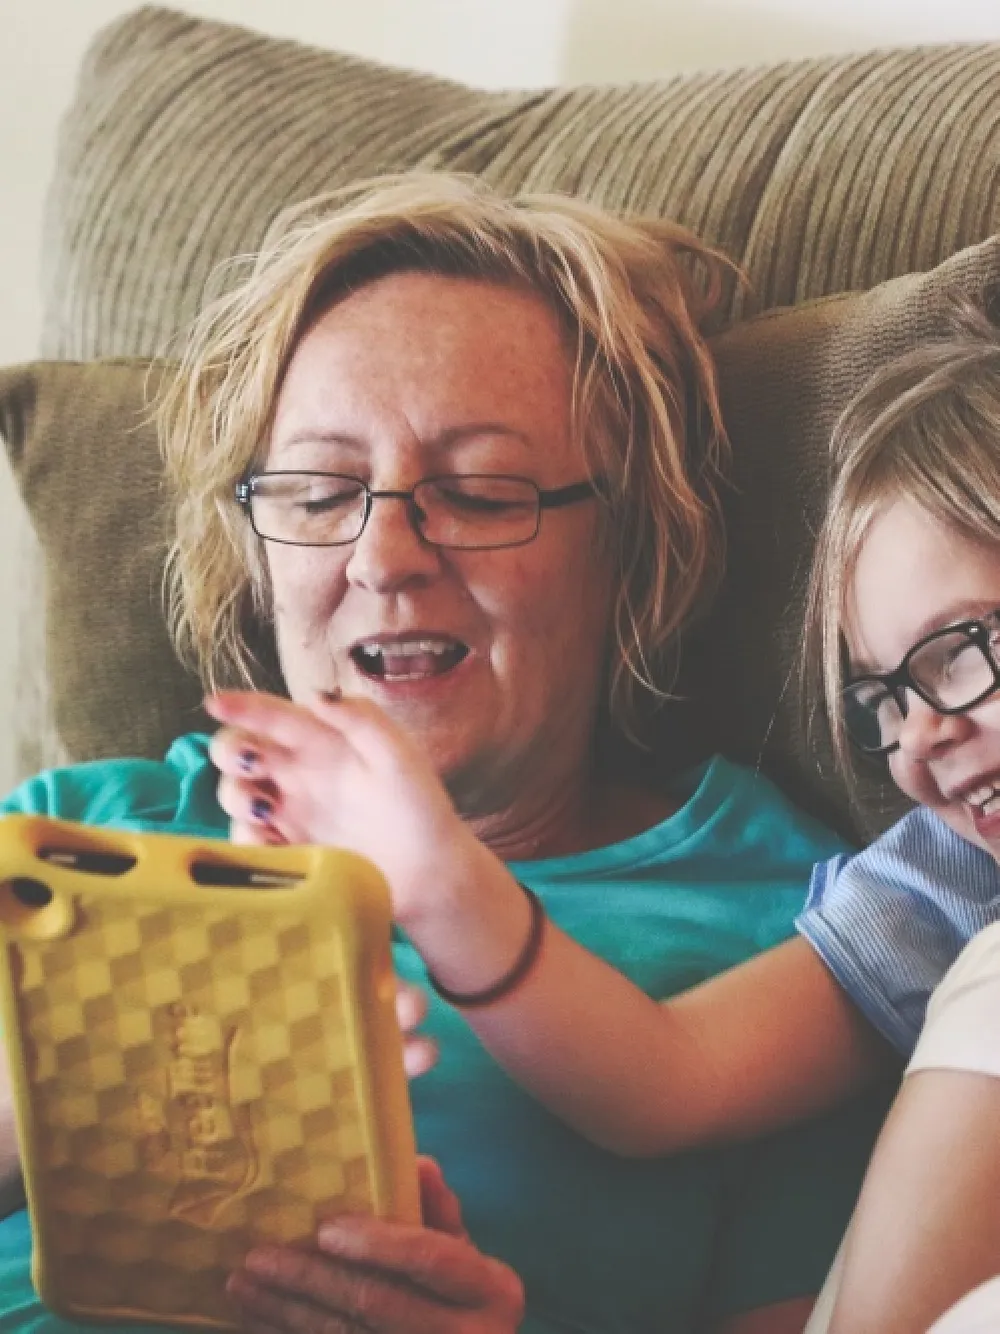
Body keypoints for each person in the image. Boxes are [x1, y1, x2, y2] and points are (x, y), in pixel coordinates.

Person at [0, 173, 886, 1334]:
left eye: (477, 490)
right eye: (318, 491)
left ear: (630, 542)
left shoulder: (789, 935)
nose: (383, 554)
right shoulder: (71, 842)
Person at [212, 300, 1000, 1334]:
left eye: (957, 652)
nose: (911, 745)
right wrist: (442, 879)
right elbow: (666, 1076)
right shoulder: (944, 880)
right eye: (879, 701)